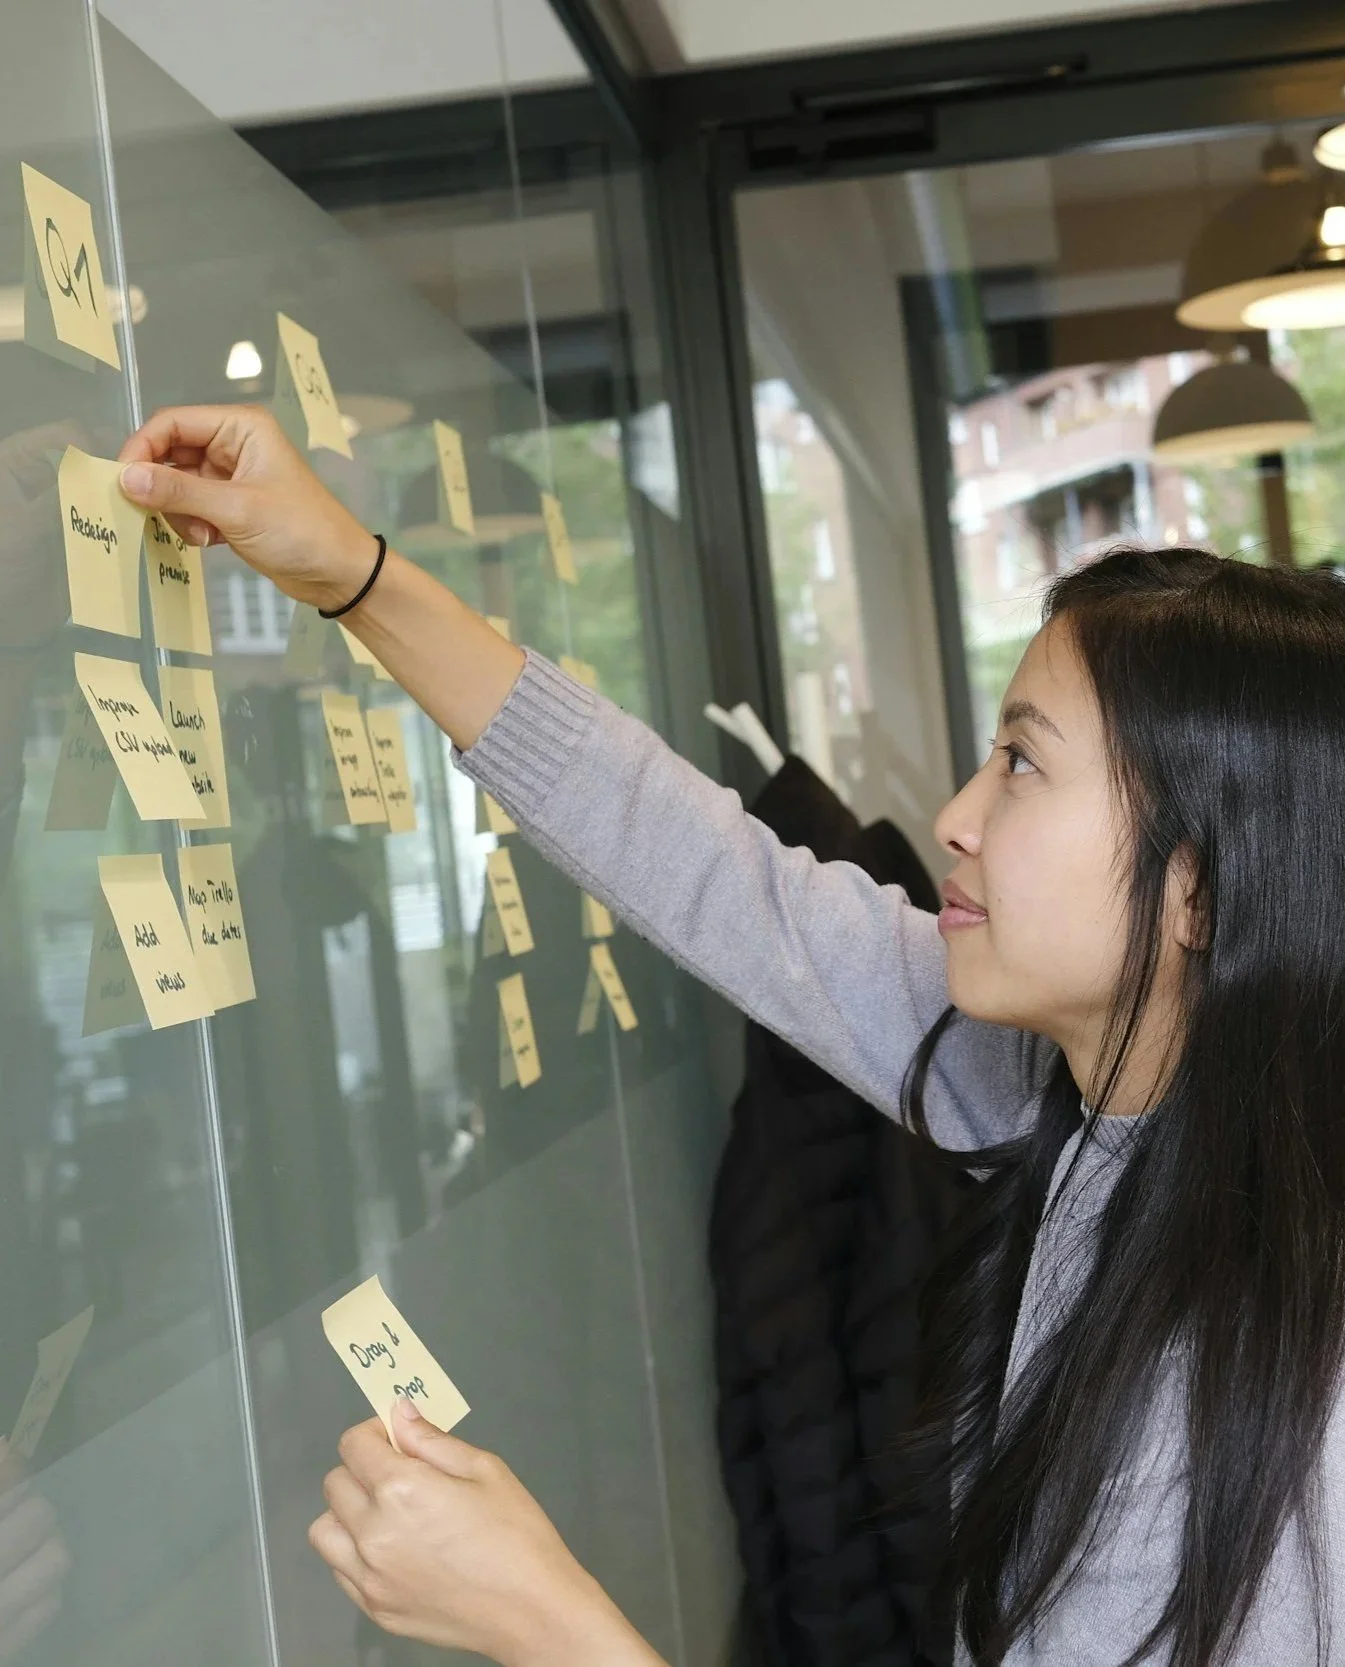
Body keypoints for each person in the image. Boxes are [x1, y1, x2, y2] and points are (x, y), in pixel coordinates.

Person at [115, 404, 1345, 1667]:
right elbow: (703, 863)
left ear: (1196, 887)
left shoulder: (1288, 1377)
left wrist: (546, 1621)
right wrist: (349, 572)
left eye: (1022, 766)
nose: (955, 816)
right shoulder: (1078, 1090)